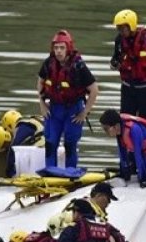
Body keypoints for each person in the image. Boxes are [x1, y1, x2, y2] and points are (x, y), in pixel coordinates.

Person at [37, 29, 99, 168]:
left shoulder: (79, 66)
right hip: (54, 109)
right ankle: (50, 171)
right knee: (50, 142)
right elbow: (40, 81)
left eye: (62, 48)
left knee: (70, 144)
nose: (58, 51)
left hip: (73, 110)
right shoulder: (49, 63)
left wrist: (85, 112)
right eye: (56, 48)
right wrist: (42, 103)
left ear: (68, 48)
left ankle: (71, 173)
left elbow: (94, 90)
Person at [110, 9, 146, 119]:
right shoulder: (120, 40)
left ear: (131, 25)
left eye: (123, 27)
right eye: (118, 28)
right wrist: (115, 63)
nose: (120, 30)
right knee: (125, 121)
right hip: (128, 88)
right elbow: (115, 58)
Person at [99, 109, 146, 186]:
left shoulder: (134, 129)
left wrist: (142, 179)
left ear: (116, 126)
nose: (105, 132)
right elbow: (122, 154)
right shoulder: (119, 132)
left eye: (106, 129)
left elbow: (138, 155)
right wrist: (124, 173)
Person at [2, 110, 45, 177]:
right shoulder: (33, 122)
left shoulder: (22, 126)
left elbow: (13, 148)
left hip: (40, 158)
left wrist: (9, 172)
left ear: (10, 127)